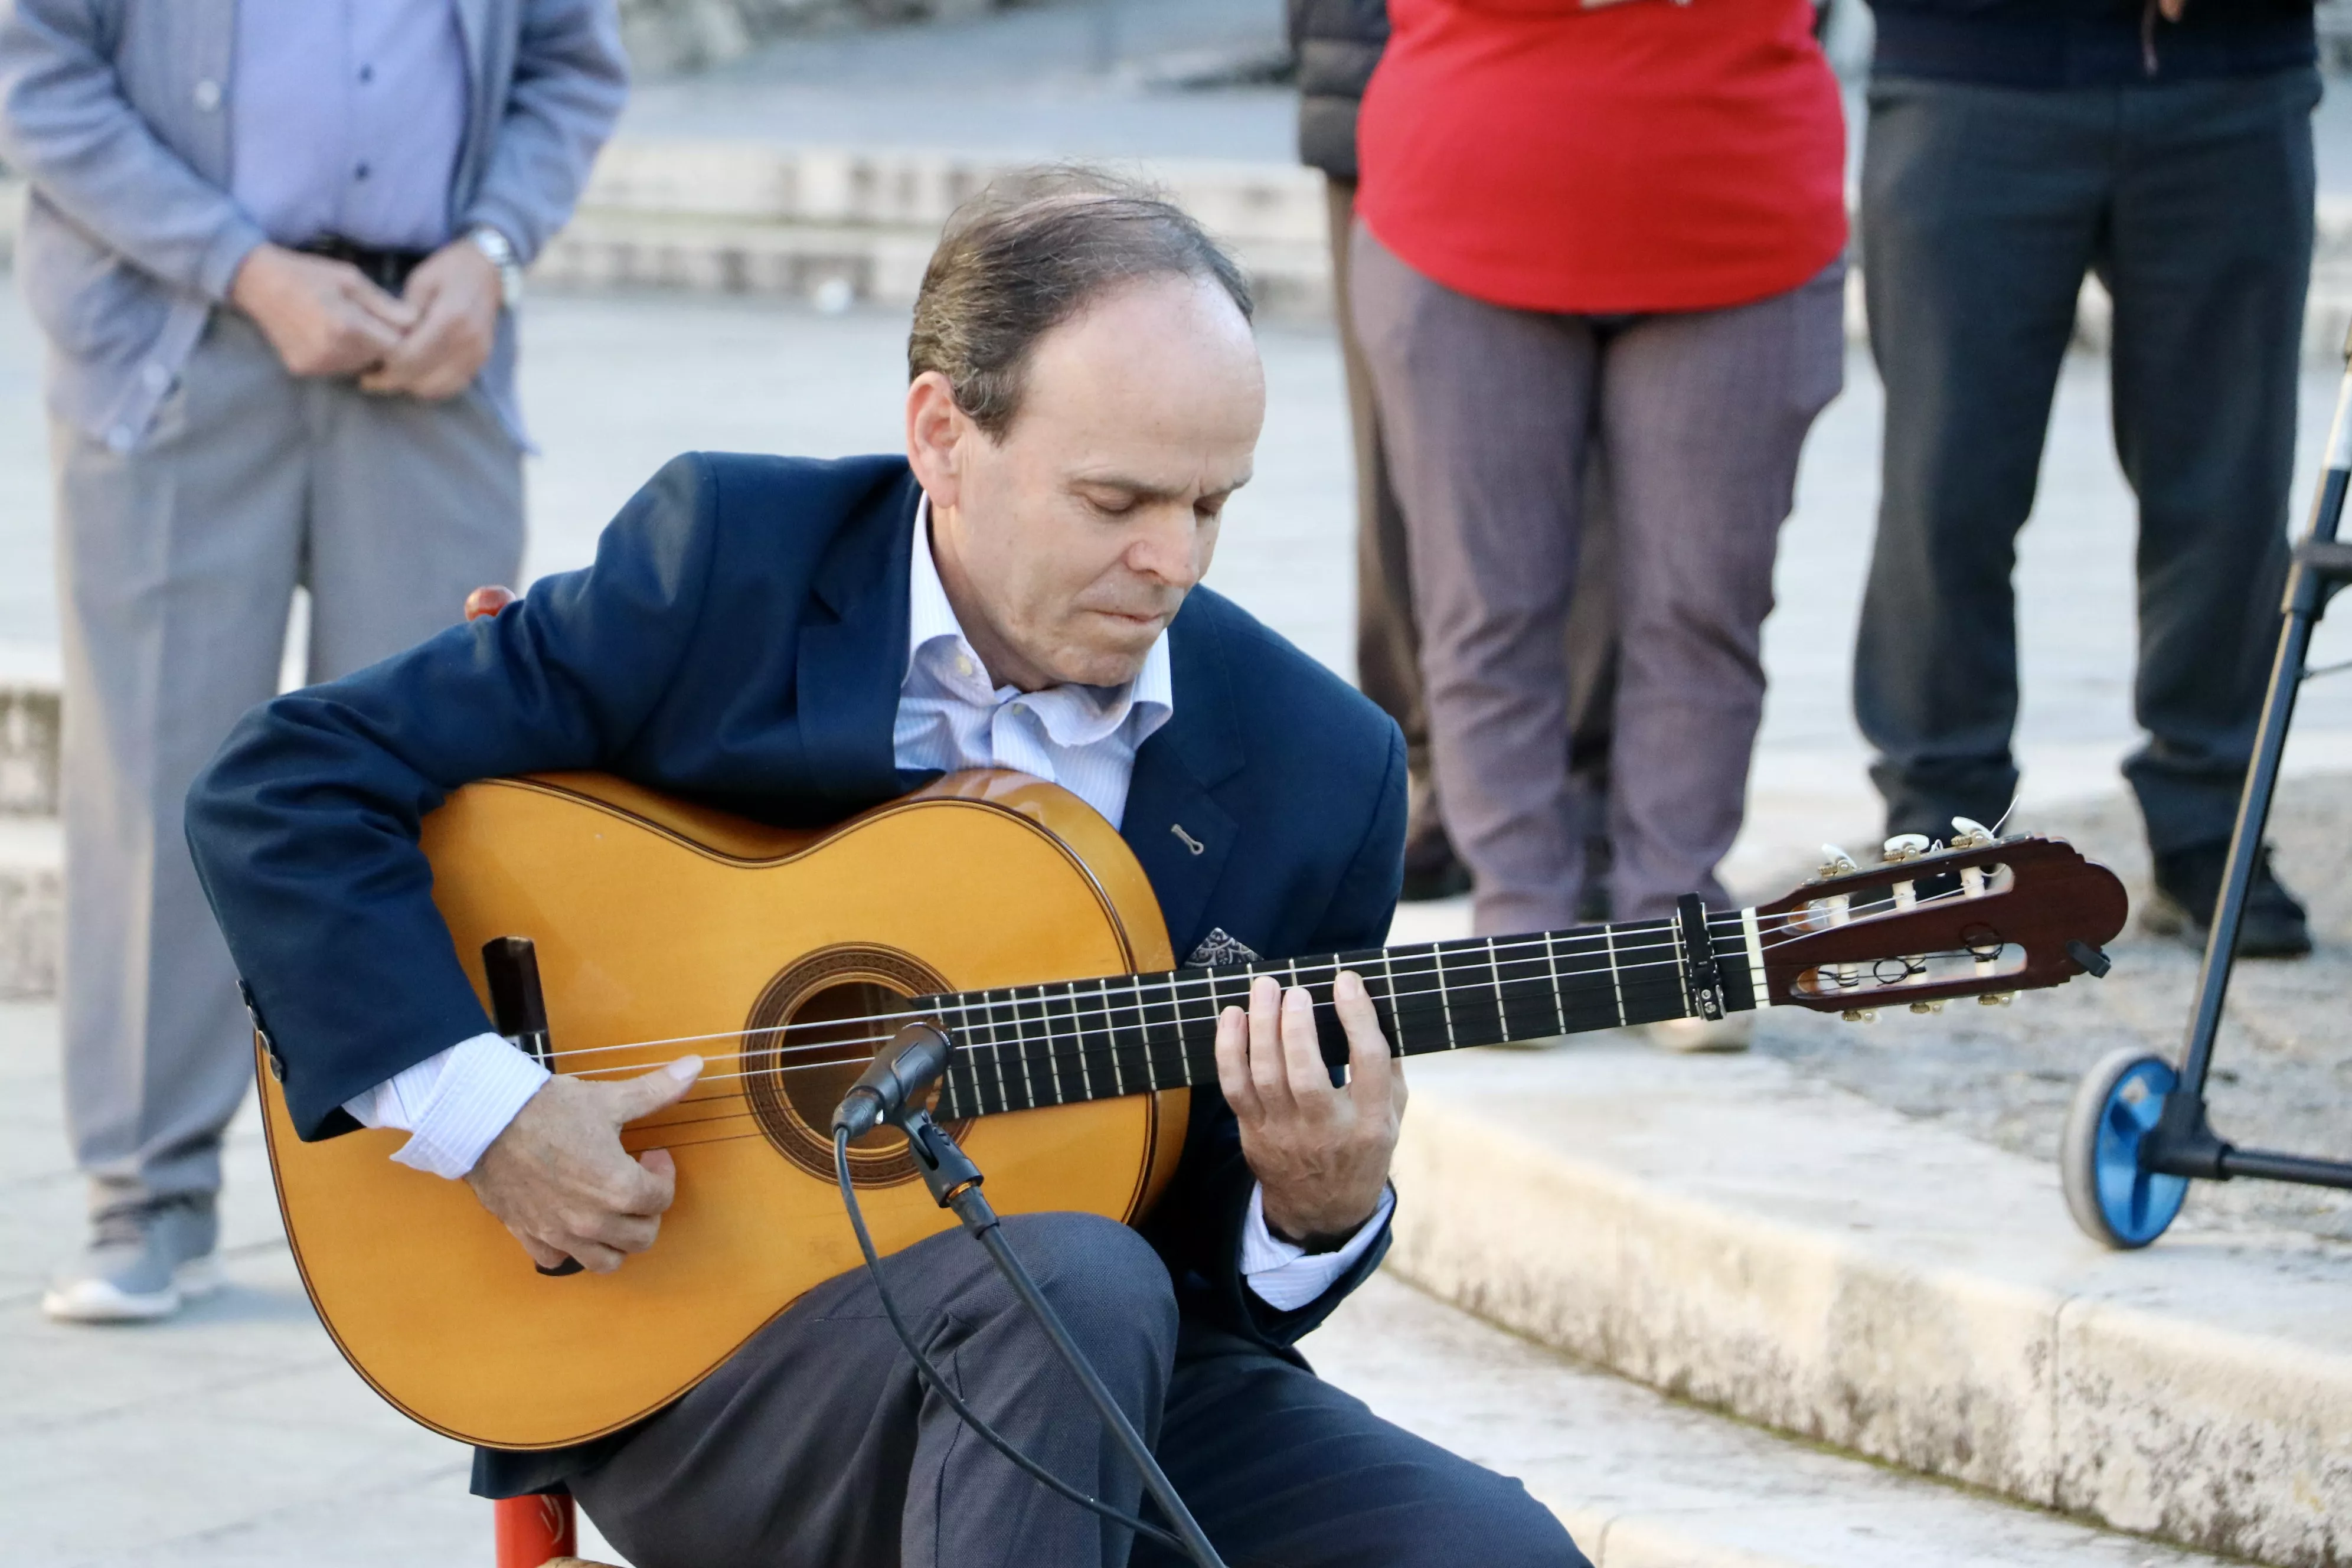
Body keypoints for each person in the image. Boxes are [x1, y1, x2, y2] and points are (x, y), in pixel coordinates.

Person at [184, 177, 1586, 1568]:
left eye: (1213, 504)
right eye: (1117, 499)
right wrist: (489, 1111)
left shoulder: (1316, 765)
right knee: (1073, 1282)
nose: (1173, 563)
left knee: (1495, 1548)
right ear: (942, 433)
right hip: (711, 1366)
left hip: (1116, 1376)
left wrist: (1316, 1208)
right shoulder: (732, 563)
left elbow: (1215, 1278)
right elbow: (283, 787)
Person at [0, 0, 628, 1323]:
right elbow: (36, 68)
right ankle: (147, 1197)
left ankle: (446, 1180)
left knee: (449, 782)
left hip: (429, 355)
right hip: (178, 343)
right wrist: (241, 265)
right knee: (156, 771)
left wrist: (496, 249)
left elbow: (572, 61)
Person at [1349, 0, 1848, 1049]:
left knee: (1704, 607)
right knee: (1485, 606)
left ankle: (1675, 931)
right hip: (1468, 197)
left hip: (1737, 212)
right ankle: (1519, 935)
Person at [1853, 0, 2318, 958]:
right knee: (1947, 487)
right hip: (1971, 66)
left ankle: (2210, 827)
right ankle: (1938, 828)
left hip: (2231, 75)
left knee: (2229, 493)